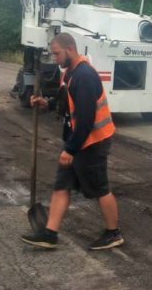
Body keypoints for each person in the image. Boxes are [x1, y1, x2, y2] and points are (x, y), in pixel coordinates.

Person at [21, 32, 123, 252]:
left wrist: (71, 149)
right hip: (77, 140)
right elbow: (66, 102)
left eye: (57, 53)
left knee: (99, 188)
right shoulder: (70, 73)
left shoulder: (84, 76)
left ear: (70, 49)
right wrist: (45, 103)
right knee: (62, 185)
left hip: (92, 142)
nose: (55, 58)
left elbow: (86, 119)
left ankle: (113, 233)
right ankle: (50, 234)